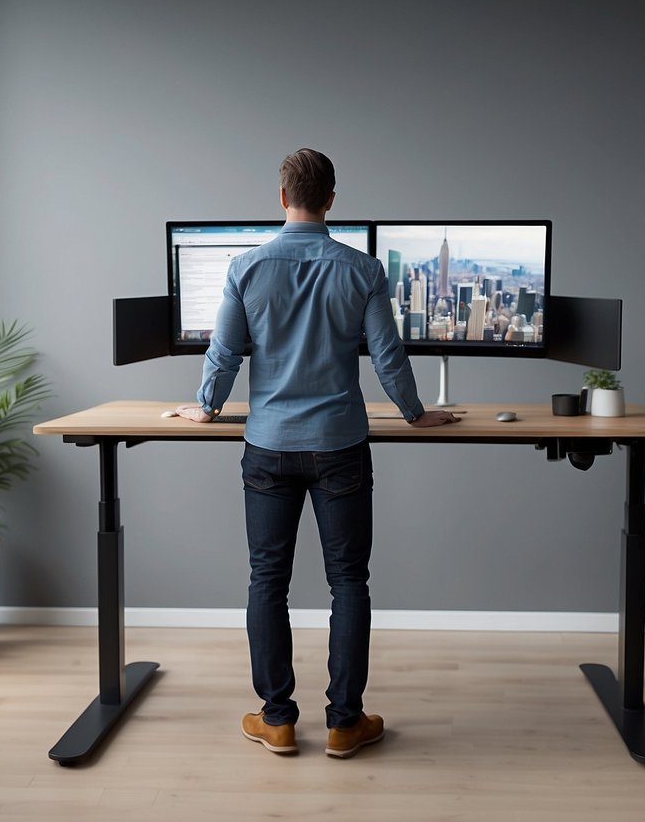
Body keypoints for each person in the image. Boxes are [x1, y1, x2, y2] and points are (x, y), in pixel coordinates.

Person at [176, 148, 459, 758]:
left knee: (266, 580)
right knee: (349, 582)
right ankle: (343, 723)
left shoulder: (245, 268)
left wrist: (204, 407)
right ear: (331, 199)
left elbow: (223, 356)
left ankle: (277, 719)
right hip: (340, 448)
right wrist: (417, 413)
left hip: (269, 448)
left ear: (282, 198)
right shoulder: (362, 270)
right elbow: (387, 358)